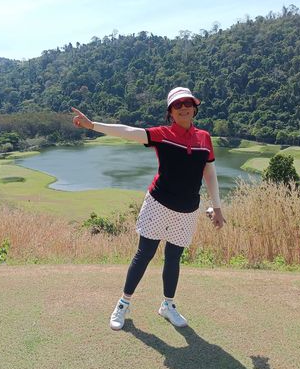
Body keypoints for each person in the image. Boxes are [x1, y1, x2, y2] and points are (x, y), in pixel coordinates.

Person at [71, 87, 225, 331]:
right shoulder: (162, 134)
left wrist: (217, 208)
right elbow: (128, 132)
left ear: (195, 108)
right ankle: (123, 303)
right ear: (170, 112)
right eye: (177, 104)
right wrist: (93, 126)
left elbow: (210, 172)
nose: (183, 107)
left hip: (187, 208)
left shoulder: (204, 138)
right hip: (158, 203)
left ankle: (168, 305)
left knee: (174, 257)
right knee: (145, 253)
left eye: (188, 103)